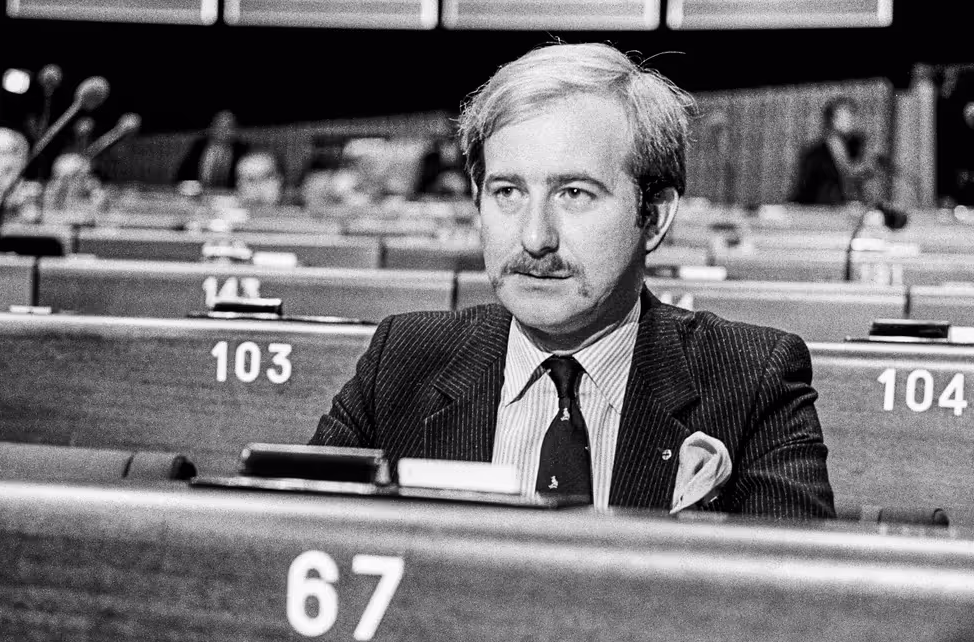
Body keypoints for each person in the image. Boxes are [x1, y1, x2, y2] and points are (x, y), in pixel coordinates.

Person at [310, 43, 834, 519]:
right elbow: (290, 546)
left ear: (653, 216)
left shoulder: (753, 379)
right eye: (508, 192)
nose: (536, 238)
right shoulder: (401, 359)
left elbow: (797, 609)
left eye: (574, 194)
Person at [791, 96, 872, 205]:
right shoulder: (815, 153)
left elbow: (855, 180)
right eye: (846, 117)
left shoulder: (853, 146)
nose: (851, 121)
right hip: (822, 209)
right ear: (832, 120)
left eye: (852, 116)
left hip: (845, 207)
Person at [175, 110, 249, 189]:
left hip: (228, 196)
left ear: (235, 131)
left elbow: (245, 180)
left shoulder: (241, 149)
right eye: (219, 125)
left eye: (229, 126)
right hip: (199, 195)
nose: (223, 130)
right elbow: (181, 175)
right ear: (211, 127)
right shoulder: (199, 146)